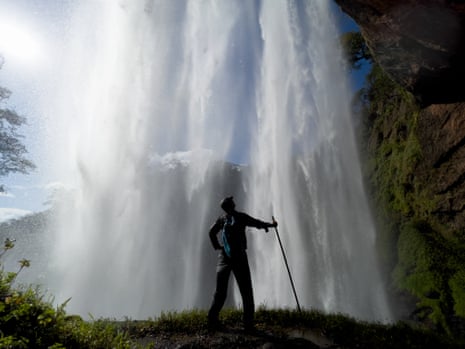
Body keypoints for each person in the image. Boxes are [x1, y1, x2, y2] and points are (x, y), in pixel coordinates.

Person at [207, 196, 277, 332]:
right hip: (239, 257)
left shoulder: (222, 219)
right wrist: (270, 225)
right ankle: (248, 324)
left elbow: (211, 232)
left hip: (224, 258)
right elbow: (256, 223)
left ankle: (212, 320)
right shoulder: (240, 217)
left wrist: (217, 247)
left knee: (220, 293)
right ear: (232, 205)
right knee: (246, 292)